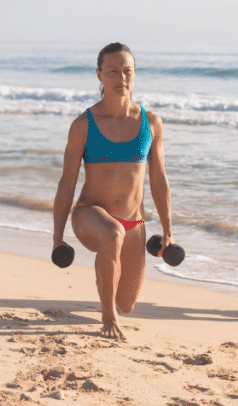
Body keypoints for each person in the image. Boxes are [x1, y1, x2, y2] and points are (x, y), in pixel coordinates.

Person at [52, 42, 173, 340]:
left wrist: (168, 230)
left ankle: (115, 307)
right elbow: (67, 182)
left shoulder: (151, 123)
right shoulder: (84, 124)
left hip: (134, 223)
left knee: (127, 303)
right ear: (99, 75)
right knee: (111, 234)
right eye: (113, 71)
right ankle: (108, 316)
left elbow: (159, 180)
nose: (121, 78)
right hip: (90, 215)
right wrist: (57, 238)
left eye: (127, 71)